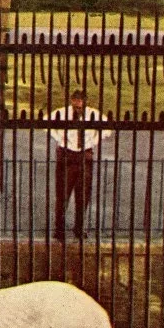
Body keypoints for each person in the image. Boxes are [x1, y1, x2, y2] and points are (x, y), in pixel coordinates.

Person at [48, 91, 111, 242]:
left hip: (85, 154)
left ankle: (78, 227)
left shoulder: (93, 114)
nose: (77, 108)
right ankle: (59, 228)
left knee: (83, 195)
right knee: (63, 194)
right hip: (66, 154)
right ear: (71, 101)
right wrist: (59, 138)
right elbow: (46, 123)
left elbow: (107, 128)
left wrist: (95, 141)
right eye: (75, 104)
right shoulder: (61, 113)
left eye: (80, 104)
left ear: (85, 102)